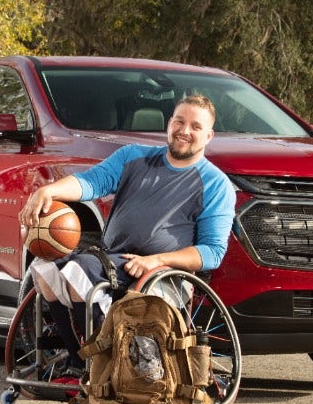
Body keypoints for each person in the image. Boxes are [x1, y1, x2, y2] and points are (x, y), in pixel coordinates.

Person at [17, 93, 235, 357]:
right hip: (112, 260)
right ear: (169, 124)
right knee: (45, 267)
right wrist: (49, 191)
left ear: (209, 136)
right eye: (179, 122)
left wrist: (155, 260)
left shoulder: (216, 184)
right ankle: (76, 360)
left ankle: (112, 360)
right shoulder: (133, 157)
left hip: (160, 272)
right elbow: (91, 182)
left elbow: (212, 252)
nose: (184, 131)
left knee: (78, 270)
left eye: (195, 126)